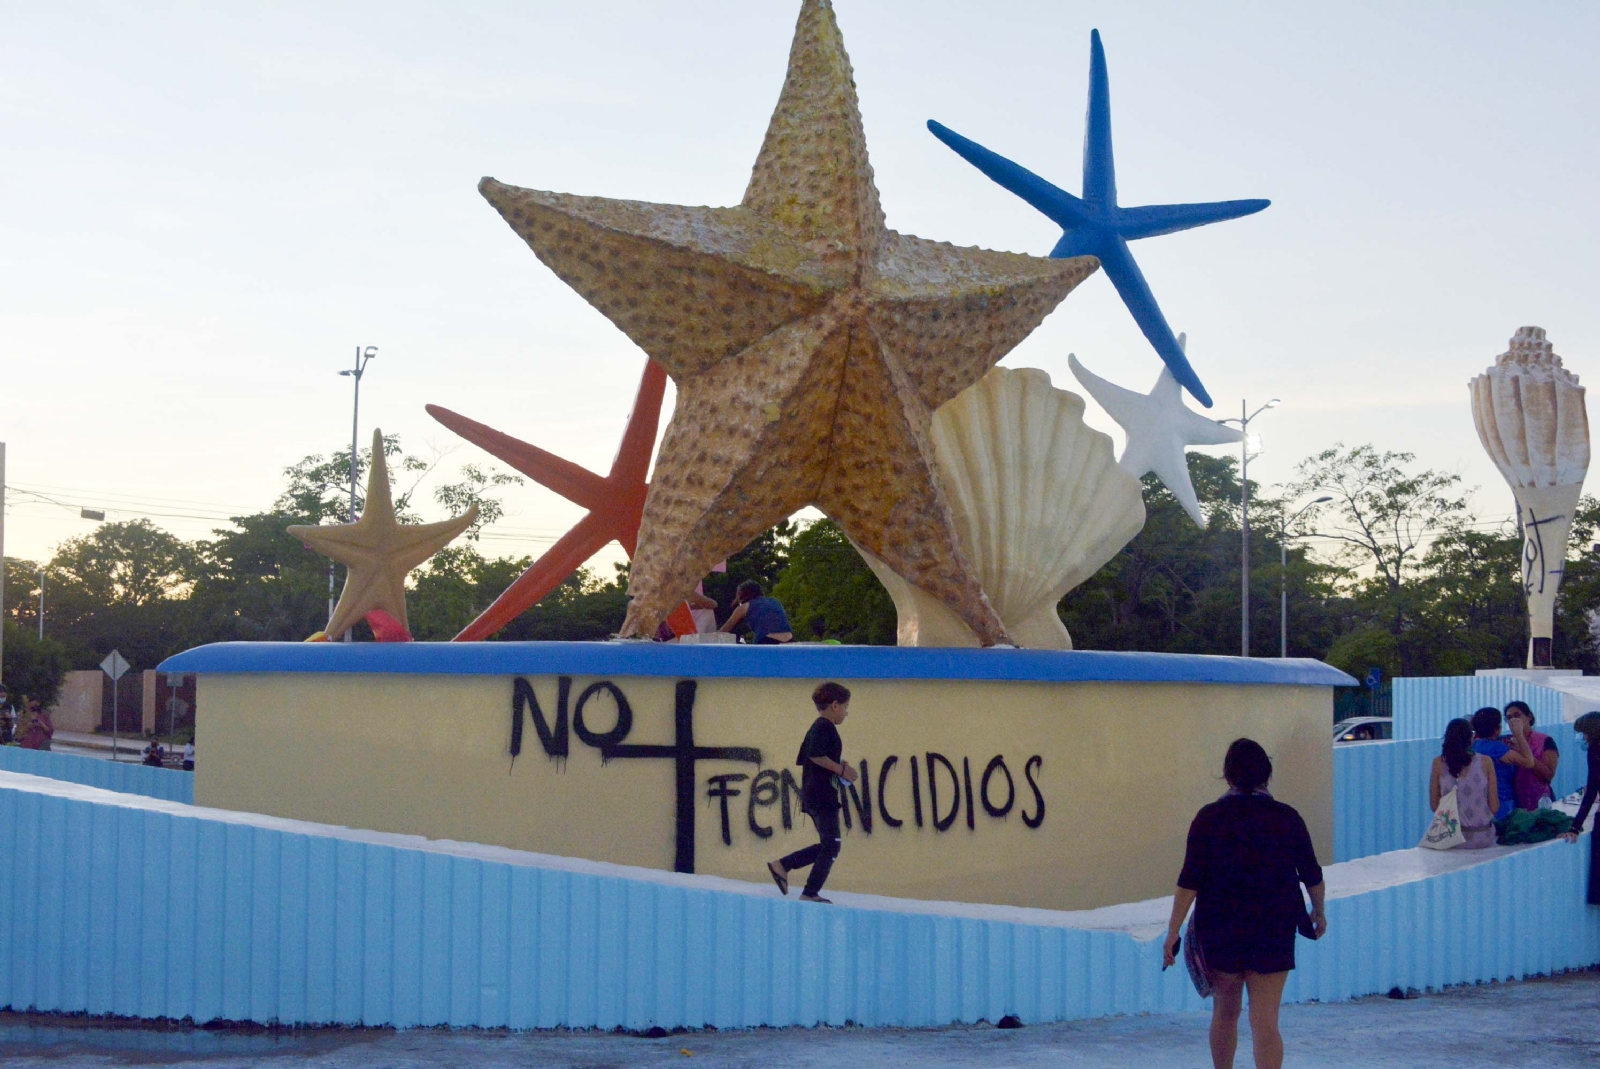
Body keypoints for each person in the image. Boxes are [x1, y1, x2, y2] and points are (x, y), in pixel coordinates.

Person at [1163, 739, 1326, 1069]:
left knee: (1225, 1012)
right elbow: (1312, 874)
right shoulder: (1287, 817)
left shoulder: (1208, 819)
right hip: (1273, 928)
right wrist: (1318, 911)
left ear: (1227, 775)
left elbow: (1189, 882)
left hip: (1221, 928)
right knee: (1265, 1023)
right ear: (1267, 774)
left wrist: (1173, 931)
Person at [767, 681, 855, 904]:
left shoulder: (819, 728)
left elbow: (813, 758)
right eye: (845, 707)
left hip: (818, 794)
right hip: (820, 795)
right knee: (832, 844)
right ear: (835, 705)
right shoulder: (823, 727)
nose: (846, 712)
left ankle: (783, 866)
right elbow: (815, 756)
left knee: (828, 844)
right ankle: (809, 891)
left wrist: (840, 766)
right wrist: (842, 769)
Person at [1429, 718, 1499, 849]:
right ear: (1471, 739)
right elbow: (1494, 807)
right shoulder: (1486, 762)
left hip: (1452, 839)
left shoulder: (1438, 763)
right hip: (1484, 836)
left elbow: (1434, 806)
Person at [1560, 711, 1600, 905]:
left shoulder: (1596, 751)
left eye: (1582, 733)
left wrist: (1575, 826)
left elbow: (1592, 788)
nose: (1580, 738)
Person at [1470, 706, 1534, 822]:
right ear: (1497, 729)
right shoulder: (1496, 748)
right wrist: (1519, 734)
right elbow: (1529, 762)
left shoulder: (1474, 745)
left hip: (1479, 803)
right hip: (1502, 803)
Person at [1504, 701, 1558, 810]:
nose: (1513, 720)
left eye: (1517, 715)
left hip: (1539, 802)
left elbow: (1548, 776)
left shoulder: (1545, 741)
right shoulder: (1505, 741)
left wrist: (1523, 753)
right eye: (1509, 718)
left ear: (1529, 717)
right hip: (1512, 805)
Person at [719, 580, 793, 644]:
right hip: (789, 639)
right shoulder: (775, 601)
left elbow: (725, 629)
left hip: (767, 640)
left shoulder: (744, 607)